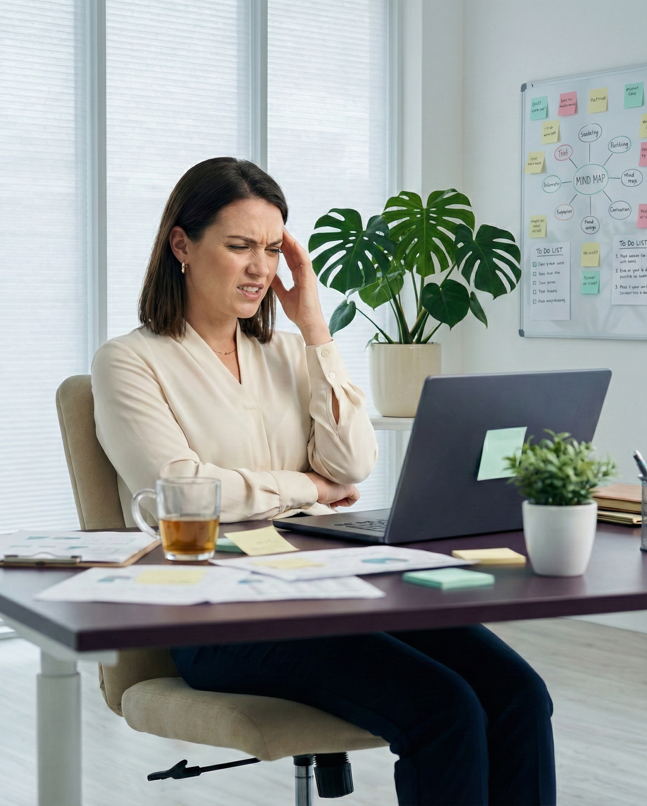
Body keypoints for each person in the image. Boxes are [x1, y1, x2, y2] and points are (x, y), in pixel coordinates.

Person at [92, 157, 556, 806]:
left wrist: (314, 327)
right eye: (238, 247)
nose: (260, 268)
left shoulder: (288, 353)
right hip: (215, 612)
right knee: (443, 708)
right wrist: (308, 487)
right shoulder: (130, 361)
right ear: (181, 245)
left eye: (271, 249)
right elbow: (183, 489)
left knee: (518, 694)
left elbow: (354, 464)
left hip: (331, 587)